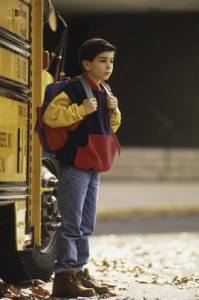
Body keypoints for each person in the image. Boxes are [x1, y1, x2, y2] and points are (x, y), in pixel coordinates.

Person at [43, 37, 121, 298]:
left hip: (93, 166)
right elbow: (50, 117)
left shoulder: (106, 90)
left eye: (111, 61)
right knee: (71, 223)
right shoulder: (75, 89)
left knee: (86, 223)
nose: (108, 65)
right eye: (102, 61)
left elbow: (109, 129)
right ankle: (64, 276)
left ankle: (79, 271)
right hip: (74, 165)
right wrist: (80, 109)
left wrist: (115, 111)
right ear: (87, 64)